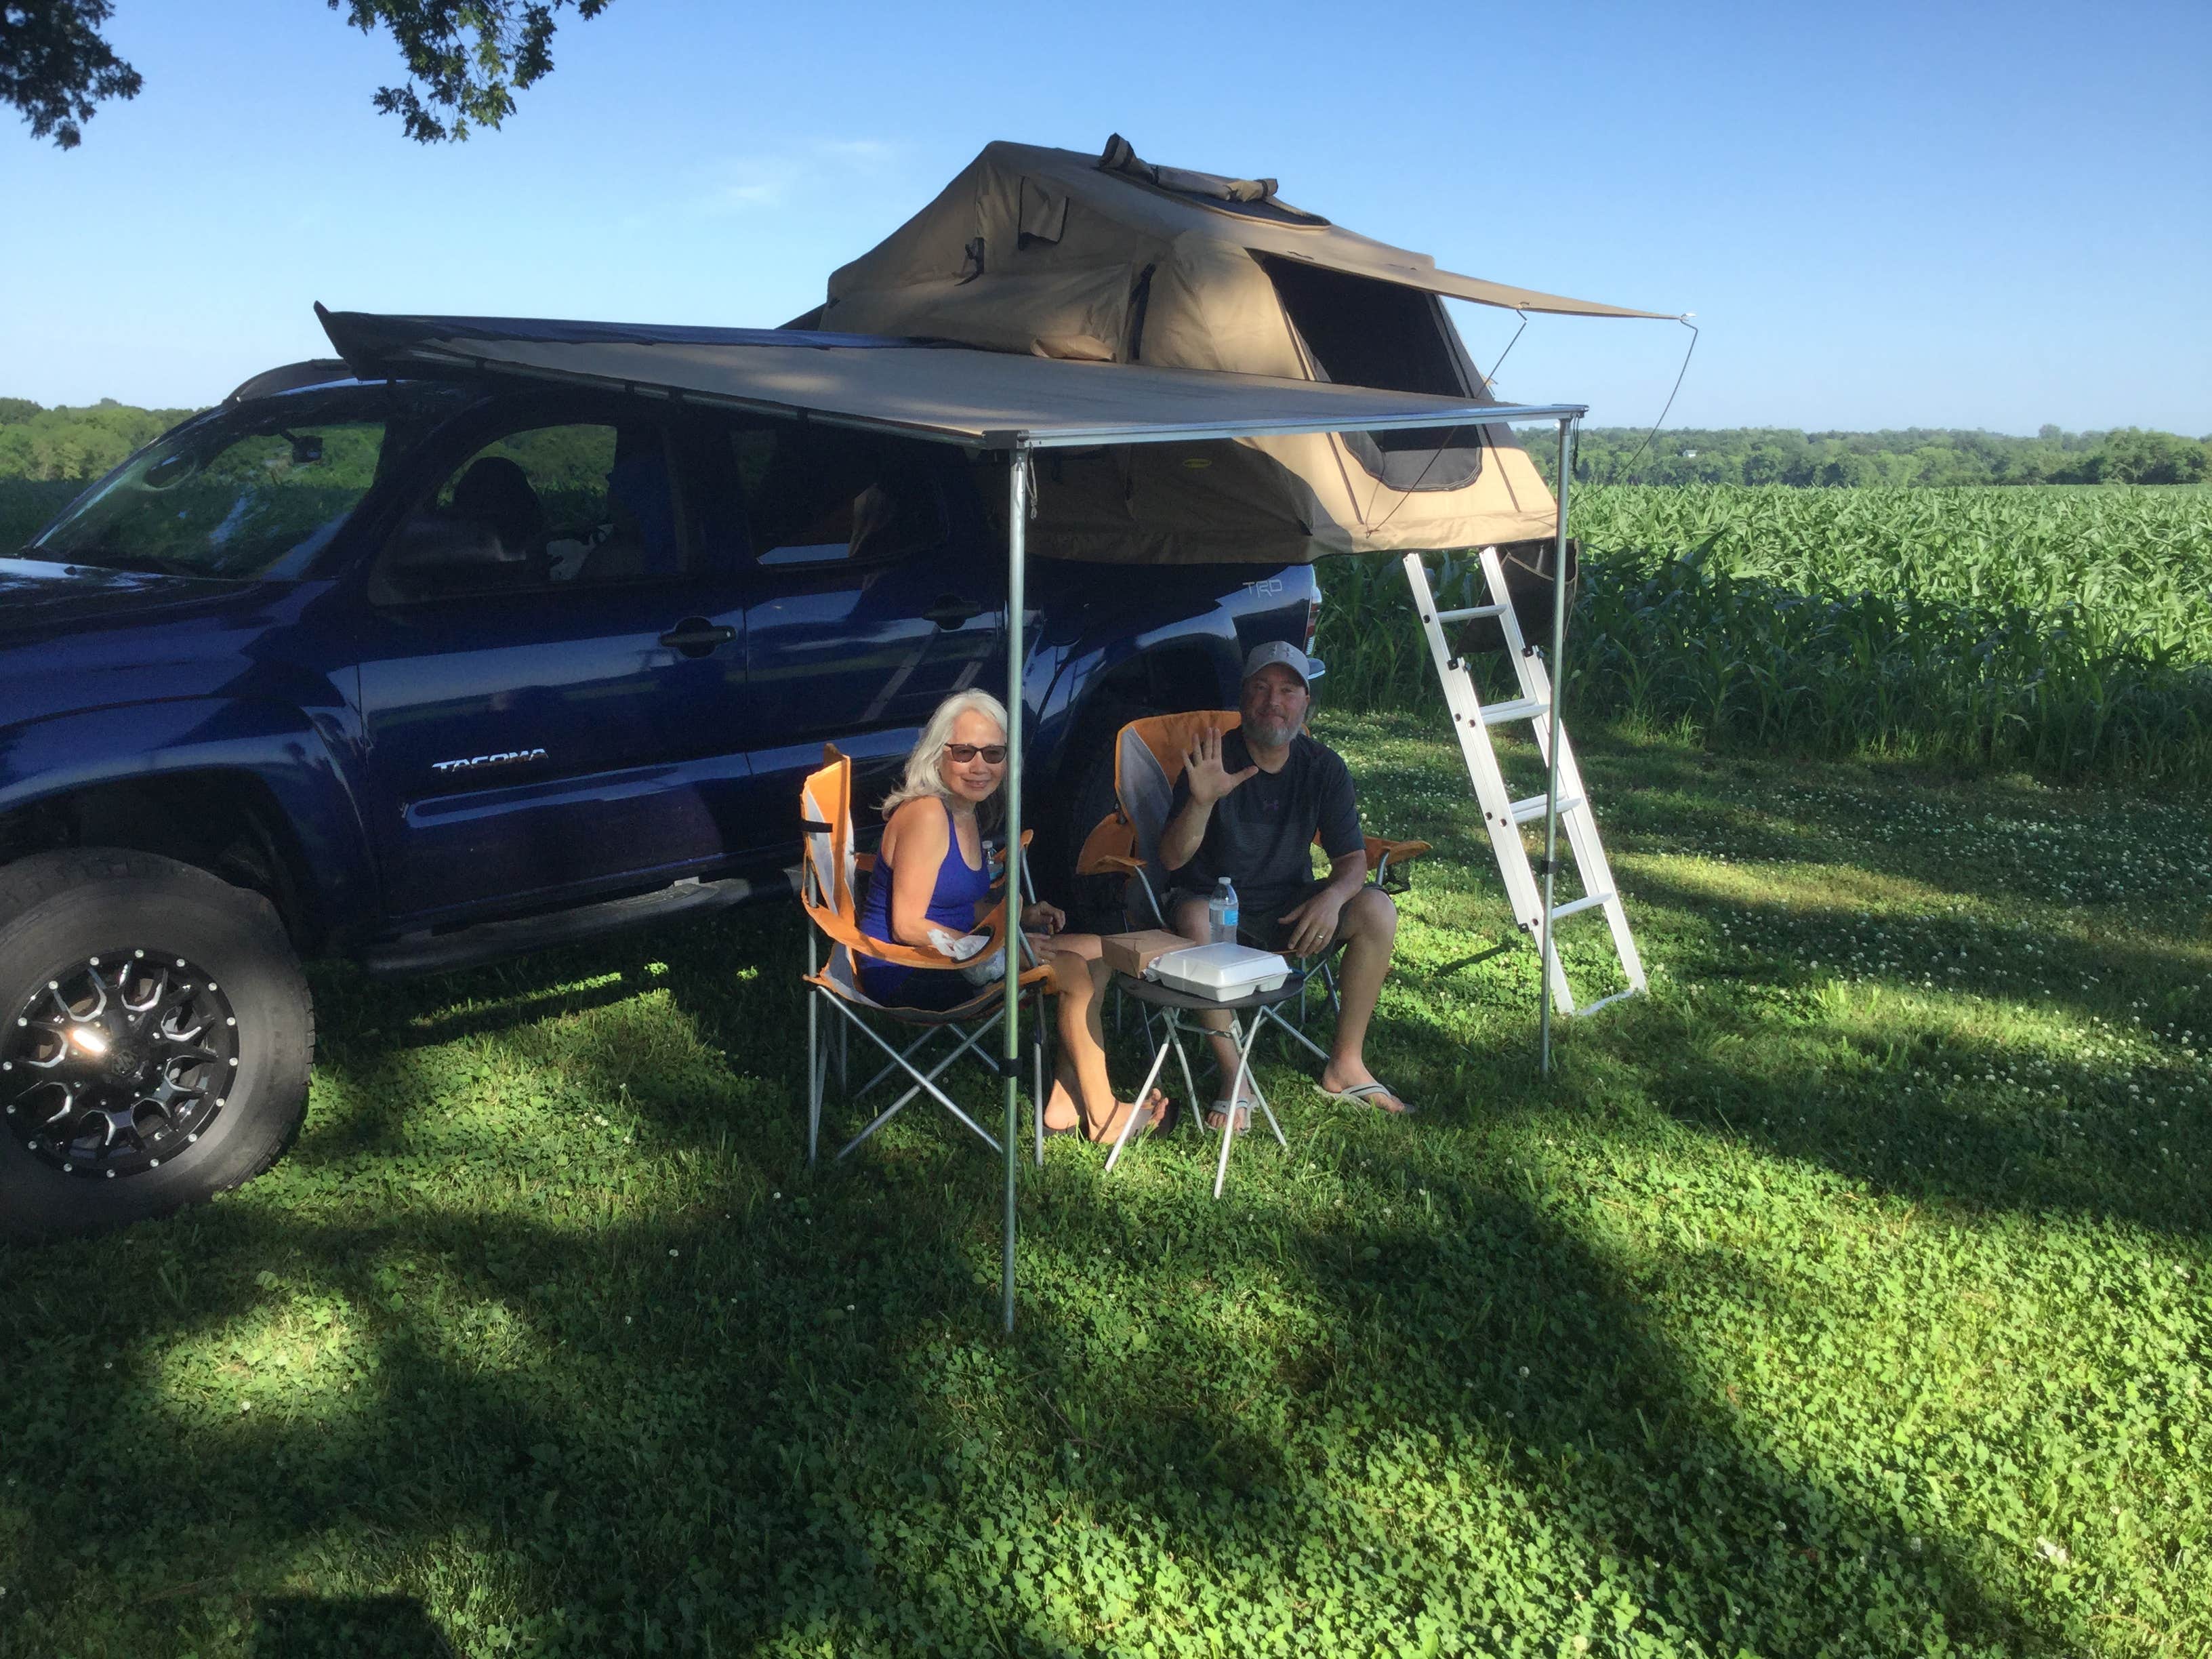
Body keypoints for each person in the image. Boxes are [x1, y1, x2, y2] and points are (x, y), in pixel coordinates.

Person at [857, 690, 1170, 1144]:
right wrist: (1004, 945)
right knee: (1073, 973)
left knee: (1101, 953)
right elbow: (907, 924)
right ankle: (1105, 1118)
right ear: (938, 754)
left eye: (994, 753)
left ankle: (1066, 1099)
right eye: (964, 752)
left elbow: (950, 907)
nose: (979, 765)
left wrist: (1017, 920)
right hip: (907, 968)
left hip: (951, 951)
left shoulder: (963, 813)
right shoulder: (927, 814)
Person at [1160, 641, 1412, 1122]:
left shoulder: (1323, 767)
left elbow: (1353, 859)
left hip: (1291, 911)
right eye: (1261, 688)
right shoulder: (1211, 760)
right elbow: (1172, 859)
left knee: (1377, 908)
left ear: (1305, 703)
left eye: (1288, 690)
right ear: (1242, 699)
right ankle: (1236, 1077)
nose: (1273, 701)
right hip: (1215, 909)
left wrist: (1335, 897)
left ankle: (1346, 1064)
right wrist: (1201, 801)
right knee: (1193, 915)